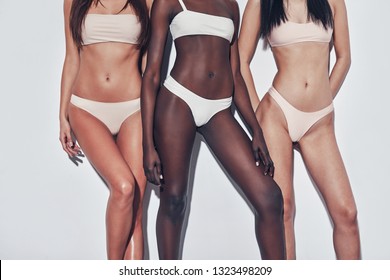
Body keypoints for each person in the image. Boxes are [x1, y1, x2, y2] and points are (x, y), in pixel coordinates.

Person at [141, 0, 286, 260]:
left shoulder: (230, 5)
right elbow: (152, 74)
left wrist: (256, 131)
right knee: (174, 200)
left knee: (270, 198)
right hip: (178, 101)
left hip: (220, 108)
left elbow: (236, 74)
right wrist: (147, 145)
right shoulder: (169, 2)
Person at [239, 0, 360, 259]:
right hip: (277, 115)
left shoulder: (332, 2)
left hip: (319, 121)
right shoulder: (262, 3)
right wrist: (257, 122)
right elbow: (239, 62)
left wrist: (323, 100)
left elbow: (344, 58)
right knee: (283, 209)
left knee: (346, 213)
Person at [59, 0, 151, 260]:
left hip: (134, 108)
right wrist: (62, 115)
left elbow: (149, 64)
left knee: (136, 214)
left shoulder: (147, 2)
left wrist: (152, 117)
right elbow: (71, 57)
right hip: (87, 108)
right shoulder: (74, 2)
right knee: (124, 187)